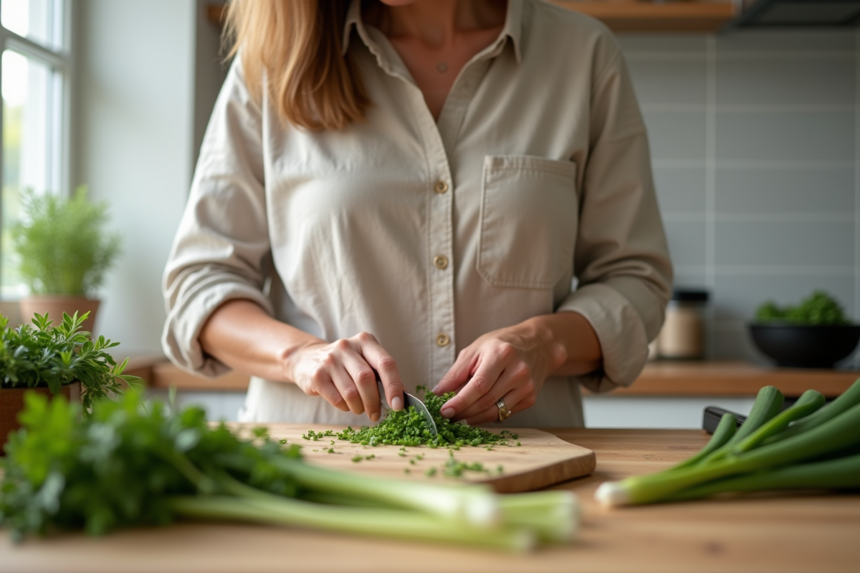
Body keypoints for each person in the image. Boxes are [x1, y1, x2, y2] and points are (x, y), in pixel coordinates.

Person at [162, 0, 672, 428]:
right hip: (314, 470)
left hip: (526, 470)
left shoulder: (582, 56)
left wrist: (544, 343)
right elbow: (200, 287)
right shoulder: (272, 64)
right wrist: (298, 355)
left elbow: (635, 280)